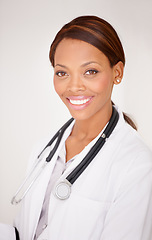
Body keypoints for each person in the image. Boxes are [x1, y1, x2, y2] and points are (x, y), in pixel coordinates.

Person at [1, 15, 152, 240]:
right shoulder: (44, 150)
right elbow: (25, 231)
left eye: (90, 71)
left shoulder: (136, 165)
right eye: (62, 72)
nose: (73, 86)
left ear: (117, 72)